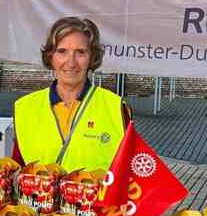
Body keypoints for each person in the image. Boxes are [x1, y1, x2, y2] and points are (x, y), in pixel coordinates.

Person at [12, 17, 131, 172]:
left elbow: (131, 173)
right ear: (51, 57)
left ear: (92, 57)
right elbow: (17, 173)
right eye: (62, 52)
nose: (71, 62)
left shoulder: (116, 108)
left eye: (80, 52)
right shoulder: (25, 107)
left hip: (96, 196)